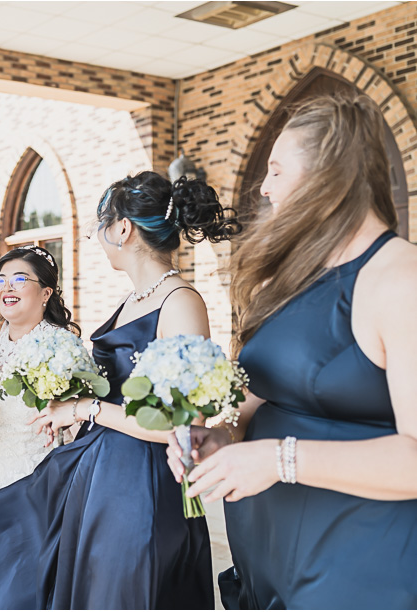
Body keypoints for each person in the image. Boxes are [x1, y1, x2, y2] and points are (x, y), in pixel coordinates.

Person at [0, 171, 240, 609]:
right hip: (98, 472)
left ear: (122, 228)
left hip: (142, 481)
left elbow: (185, 425)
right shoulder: (133, 301)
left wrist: (86, 408)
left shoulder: (181, 301)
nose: (96, 236)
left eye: (99, 226)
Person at [167, 94, 417, 609]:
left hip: (358, 573)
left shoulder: (399, 279)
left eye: (277, 170)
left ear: (328, 173)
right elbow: (267, 397)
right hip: (271, 565)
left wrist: (280, 460)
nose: (264, 187)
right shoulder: (292, 280)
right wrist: (220, 438)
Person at [0, 244, 77, 512]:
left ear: (46, 292)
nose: (7, 288)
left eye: (19, 279)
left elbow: (79, 426)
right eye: (0, 280)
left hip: (36, 484)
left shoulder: (62, 348)